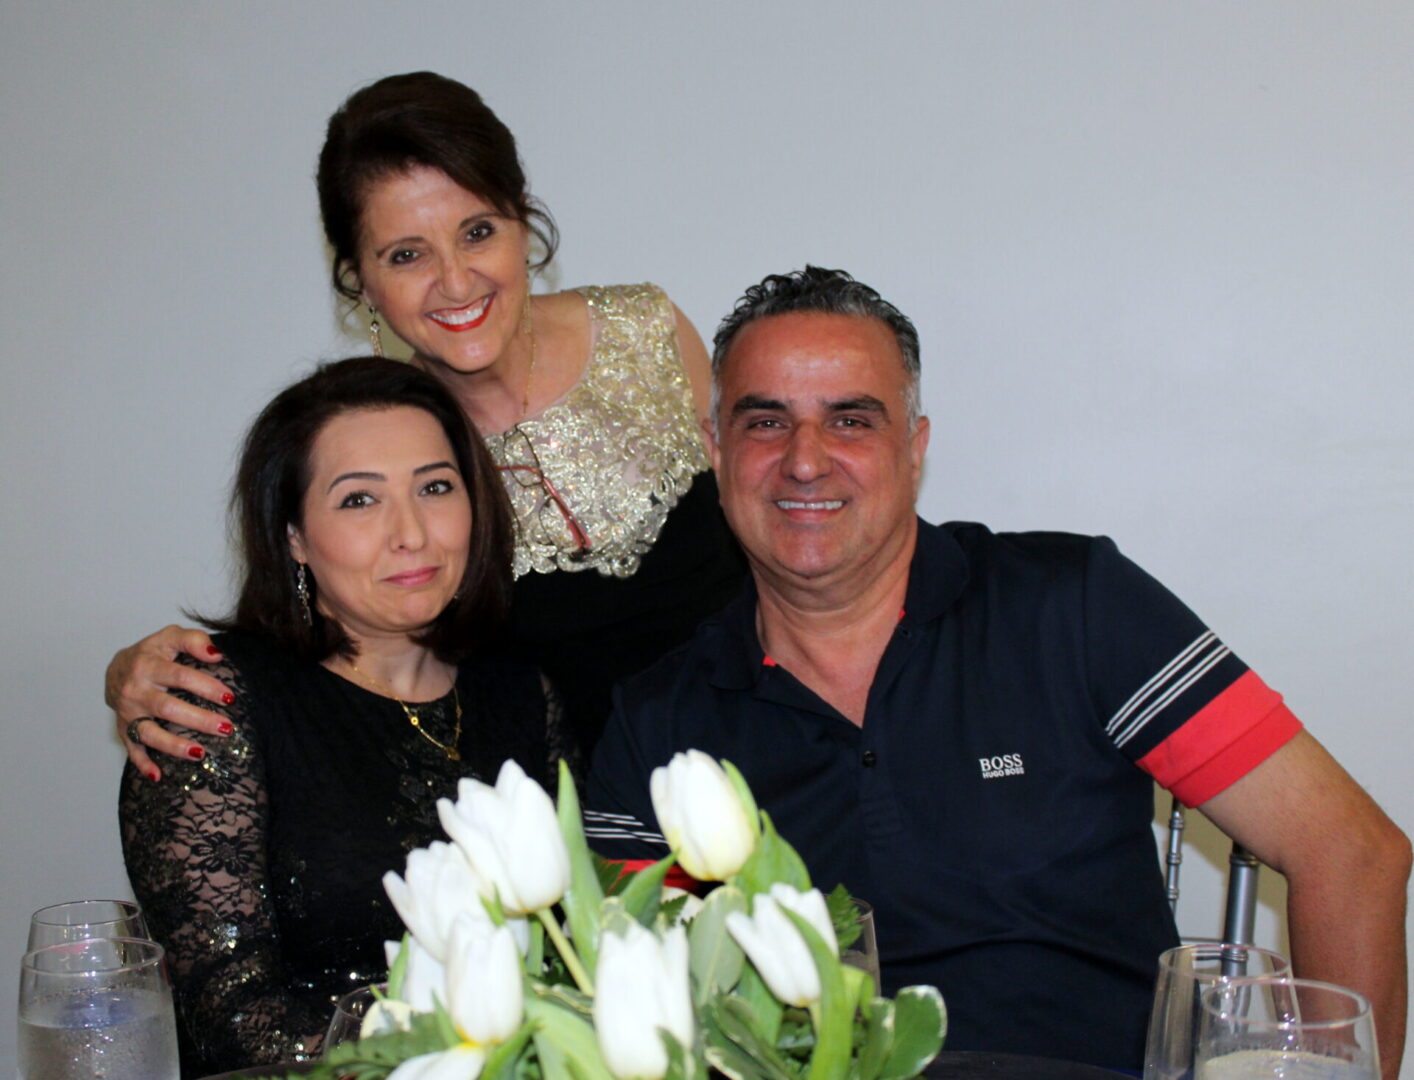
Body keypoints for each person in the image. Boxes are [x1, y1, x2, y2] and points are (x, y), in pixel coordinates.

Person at [583, 267, 1411, 1076]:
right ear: (714, 449)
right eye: (766, 422)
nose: (805, 461)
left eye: (851, 421)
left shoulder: (1072, 607)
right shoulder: (658, 716)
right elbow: (625, 1000)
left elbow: (1352, 852)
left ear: (914, 447)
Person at [107, 71, 745, 771]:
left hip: (769, 768)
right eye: (406, 255)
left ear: (522, 223)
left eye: (477, 232)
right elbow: (314, 634)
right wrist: (139, 671)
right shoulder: (378, 438)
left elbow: (776, 533)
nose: (457, 281)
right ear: (359, 279)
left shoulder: (647, 327)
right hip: (560, 831)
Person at [120, 357, 573, 1075]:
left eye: (435, 488)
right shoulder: (216, 703)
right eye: (360, 501)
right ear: (294, 536)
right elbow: (227, 1018)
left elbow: (568, 948)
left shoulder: (522, 694)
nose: (412, 534)